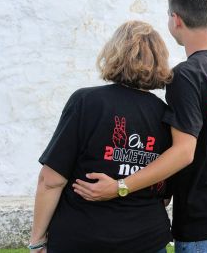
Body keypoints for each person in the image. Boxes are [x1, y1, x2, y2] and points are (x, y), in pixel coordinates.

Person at [73, 0, 207, 253]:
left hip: (204, 221)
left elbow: (183, 152)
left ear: (176, 19)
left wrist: (120, 186)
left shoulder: (186, 76)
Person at [29, 20, 174, 253]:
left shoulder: (86, 102)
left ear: (115, 53)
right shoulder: (167, 115)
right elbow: (164, 193)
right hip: (146, 239)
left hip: (82, 238)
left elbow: (51, 180)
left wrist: (37, 241)